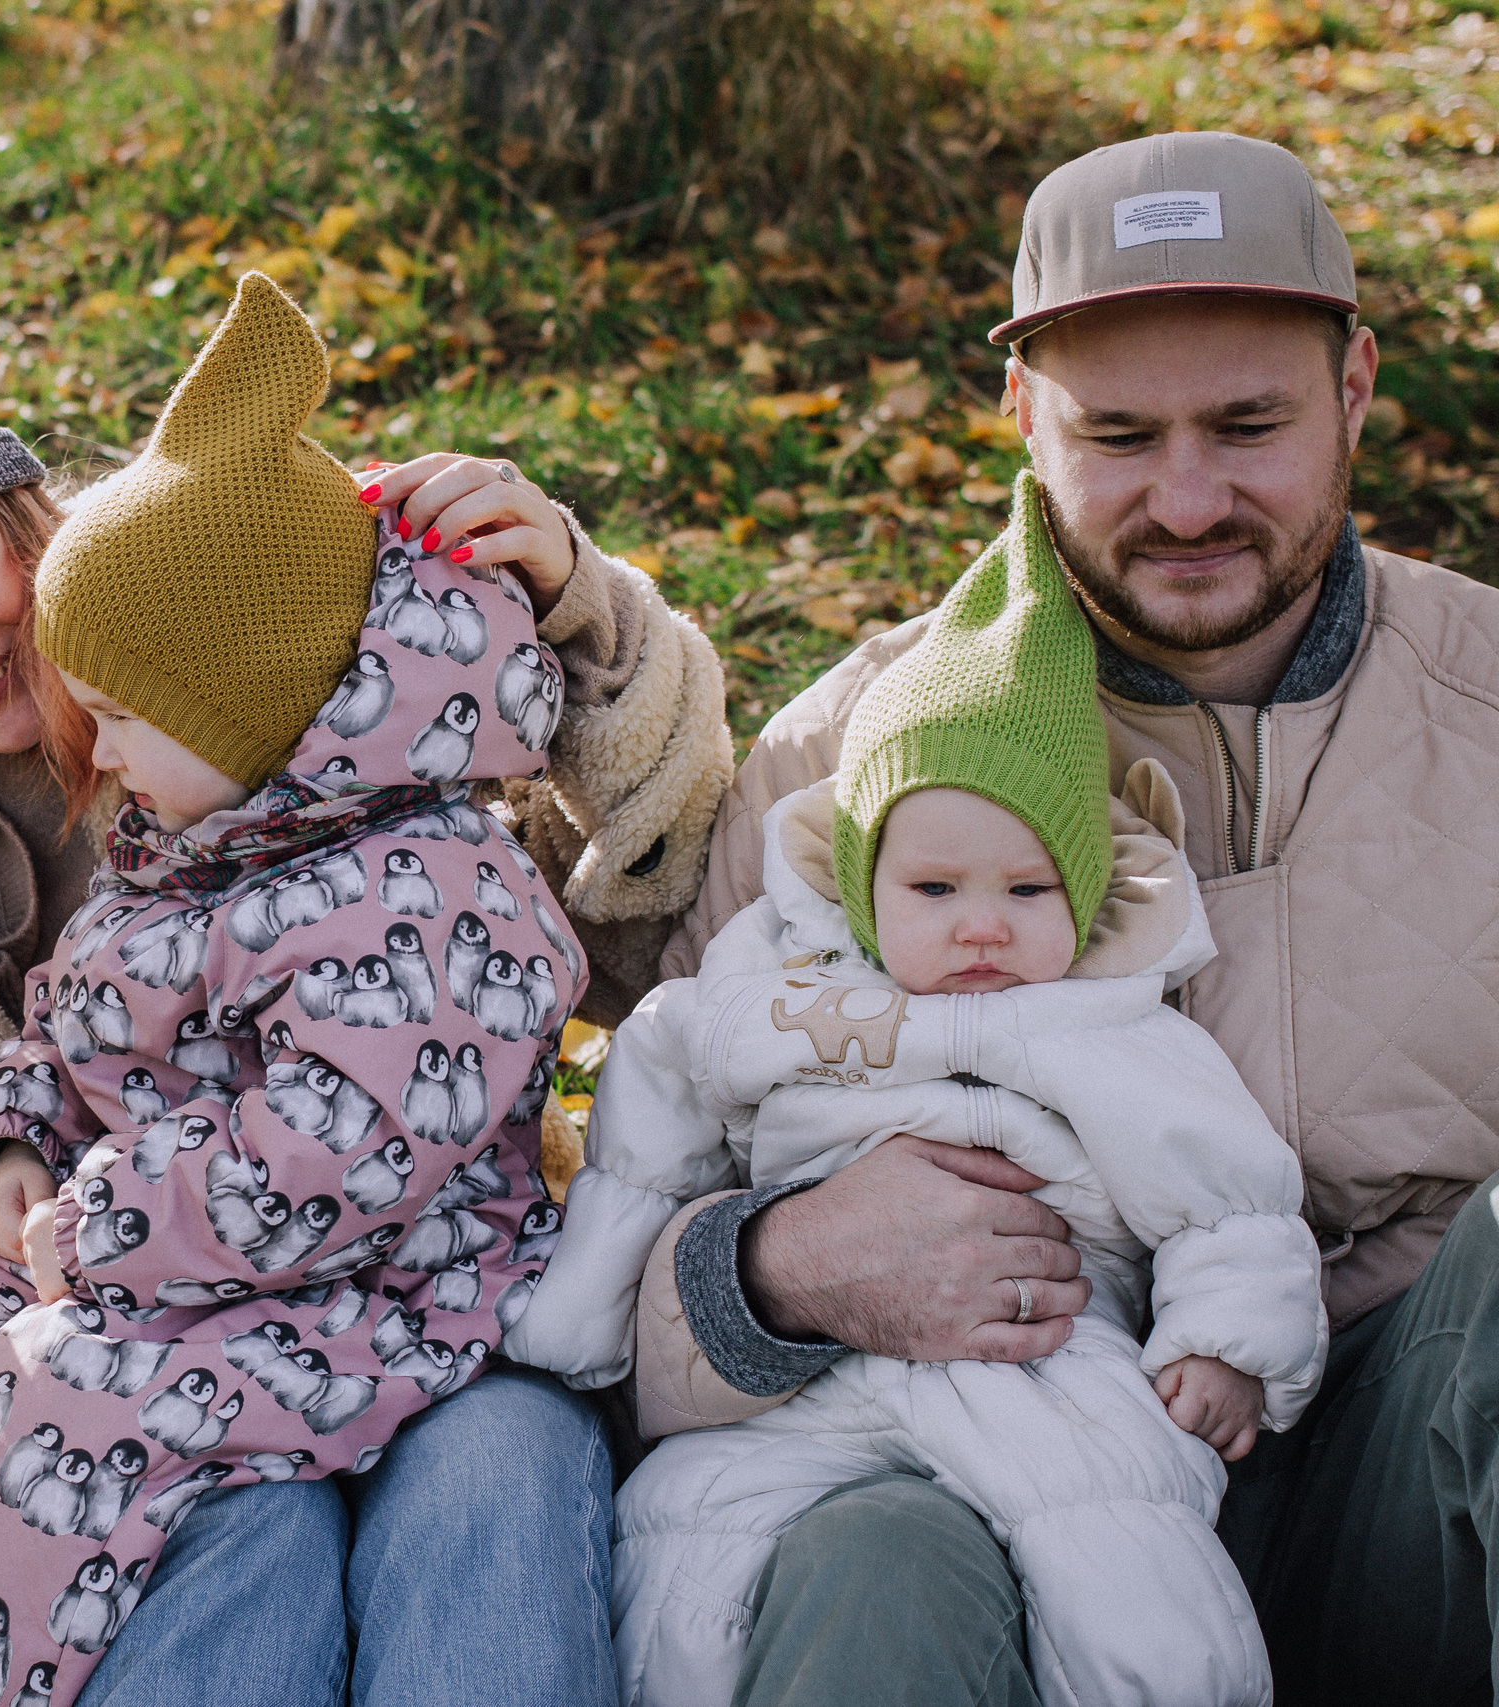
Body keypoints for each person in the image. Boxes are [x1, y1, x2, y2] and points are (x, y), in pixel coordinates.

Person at [0, 273, 732, 1701]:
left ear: (22, 518)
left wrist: (582, 614)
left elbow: (645, 911)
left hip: (426, 1306)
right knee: (241, 1533)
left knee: (500, 1474)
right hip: (118, 1393)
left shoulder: (272, 655)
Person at [637, 130, 1499, 1705]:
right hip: (996, 1472)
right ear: (1022, 414)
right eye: (1118, 433)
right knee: (862, 1562)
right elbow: (623, 1199)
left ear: (1358, 387)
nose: (1188, 497)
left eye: (1250, 425)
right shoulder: (848, 762)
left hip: (1409, 1477)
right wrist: (767, 1269)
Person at [0, 270, 590, 1707]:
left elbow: (338, 1146)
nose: (89, 749)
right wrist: (25, 1137)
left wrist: (102, 1216)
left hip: (389, 1283)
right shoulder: (215, 824)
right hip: (200, 1266)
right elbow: (90, 1018)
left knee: (77, 1401)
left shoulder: (411, 877)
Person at [508, 483, 1325, 1705]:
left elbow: (1225, 1193)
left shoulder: (1106, 1022)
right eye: (936, 890)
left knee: (1130, 1569)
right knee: (690, 1550)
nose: (983, 928)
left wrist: (1227, 1344)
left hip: (1042, 1365)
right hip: (804, 1377)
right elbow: (651, 1129)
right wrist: (582, 1302)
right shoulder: (775, 993)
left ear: (1088, 898)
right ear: (858, 883)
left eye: (1028, 892)